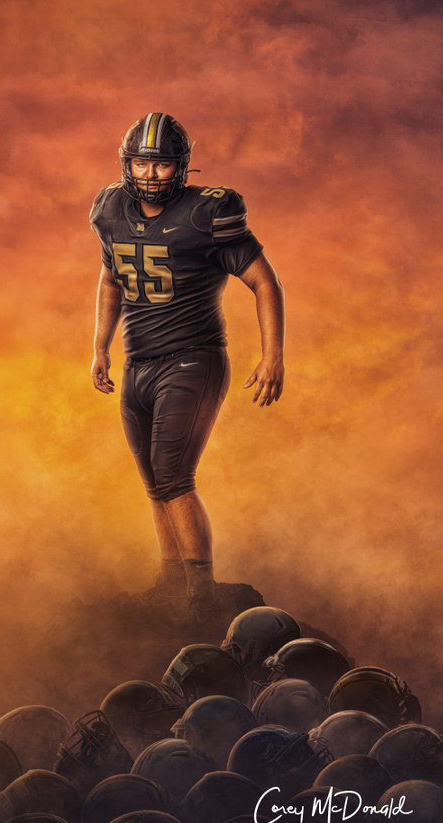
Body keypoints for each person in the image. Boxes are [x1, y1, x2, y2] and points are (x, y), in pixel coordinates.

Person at [90, 112, 285, 617]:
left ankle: (201, 595)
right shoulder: (111, 208)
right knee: (155, 480)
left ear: (181, 166)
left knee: (175, 477)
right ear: (126, 162)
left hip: (192, 359)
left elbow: (265, 281)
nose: (150, 174)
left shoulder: (207, 213)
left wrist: (273, 356)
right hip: (139, 361)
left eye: (162, 164)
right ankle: (170, 581)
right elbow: (111, 280)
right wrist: (99, 348)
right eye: (141, 162)